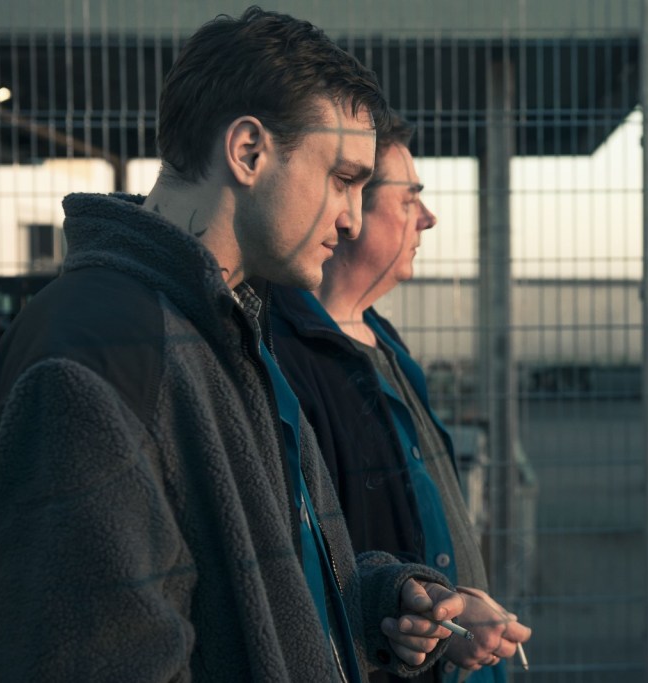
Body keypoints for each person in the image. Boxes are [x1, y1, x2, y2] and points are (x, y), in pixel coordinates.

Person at [0, 8, 463, 681]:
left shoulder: (222, 325)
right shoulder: (95, 362)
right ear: (249, 151)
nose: (349, 218)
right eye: (342, 179)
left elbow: (257, 585)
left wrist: (379, 599)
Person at [267, 112, 532, 683]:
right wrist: (445, 620)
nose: (428, 218)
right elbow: (312, 566)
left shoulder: (379, 336)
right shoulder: (286, 362)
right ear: (351, 204)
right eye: (410, 198)